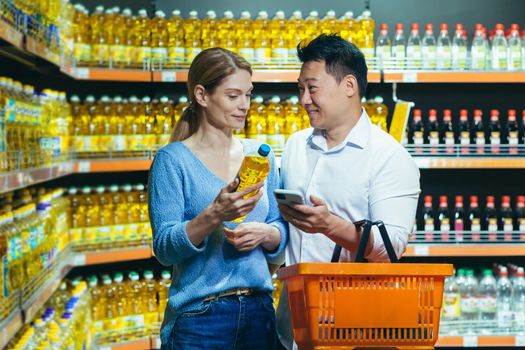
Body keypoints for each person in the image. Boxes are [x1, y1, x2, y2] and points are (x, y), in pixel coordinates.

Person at [275, 34, 421, 349]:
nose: (304, 100)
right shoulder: (295, 146)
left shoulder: (389, 157)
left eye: (312, 88)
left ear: (349, 86)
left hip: (354, 329)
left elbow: (392, 248)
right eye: (300, 89)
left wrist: (330, 225)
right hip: (291, 328)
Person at [148, 47, 287, 350]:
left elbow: (279, 227)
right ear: (202, 95)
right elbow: (164, 248)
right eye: (233, 95)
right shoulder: (172, 160)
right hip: (200, 318)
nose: (244, 105)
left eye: (248, 95)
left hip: (259, 311)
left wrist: (267, 234)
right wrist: (214, 215)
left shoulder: (260, 156)